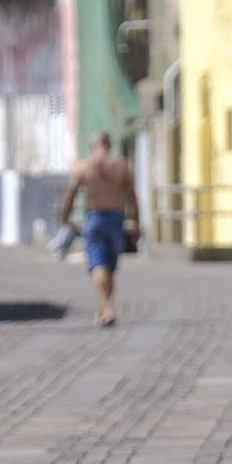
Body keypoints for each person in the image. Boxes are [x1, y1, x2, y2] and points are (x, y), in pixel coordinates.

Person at [57, 131, 139, 327]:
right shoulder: (121, 166)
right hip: (115, 218)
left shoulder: (85, 167)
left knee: (98, 264)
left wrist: (65, 217)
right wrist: (136, 222)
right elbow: (131, 197)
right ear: (110, 145)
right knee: (109, 266)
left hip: (95, 217)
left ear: (93, 146)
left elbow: (71, 194)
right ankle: (104, 309)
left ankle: (106, 308)